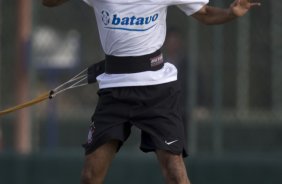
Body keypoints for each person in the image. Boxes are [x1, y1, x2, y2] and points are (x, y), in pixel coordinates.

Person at [42, 0, 260, 184]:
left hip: (157, 91)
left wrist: (231, 13)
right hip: (113, 92)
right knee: (90, 176)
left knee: (174, 171)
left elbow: (204, 13)